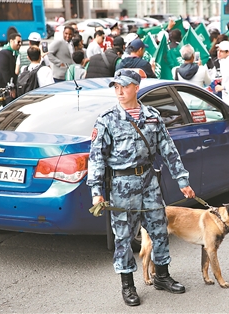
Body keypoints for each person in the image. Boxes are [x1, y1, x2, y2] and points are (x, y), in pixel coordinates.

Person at [86, 69, 196, 306]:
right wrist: (97, 192)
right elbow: (96, 158)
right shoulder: (107, 119)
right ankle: (128, 286)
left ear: (136, 87)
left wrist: (182, 181)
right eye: (116, 87)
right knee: (124, 237)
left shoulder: (153, 116)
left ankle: (162, 276)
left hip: (148, 182)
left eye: (124, 86)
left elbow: (168, 150)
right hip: (121, 186)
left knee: (159, 229)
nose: (120, 91)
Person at [0, 32, 22, 105]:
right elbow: (5, 72)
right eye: (18, 42)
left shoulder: (14, 52)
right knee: (9, 106)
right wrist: (11, 89)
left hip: (10, 84)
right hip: (3, 86)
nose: (20, 44)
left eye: (21, 42)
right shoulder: (4, 53)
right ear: (11, 41)